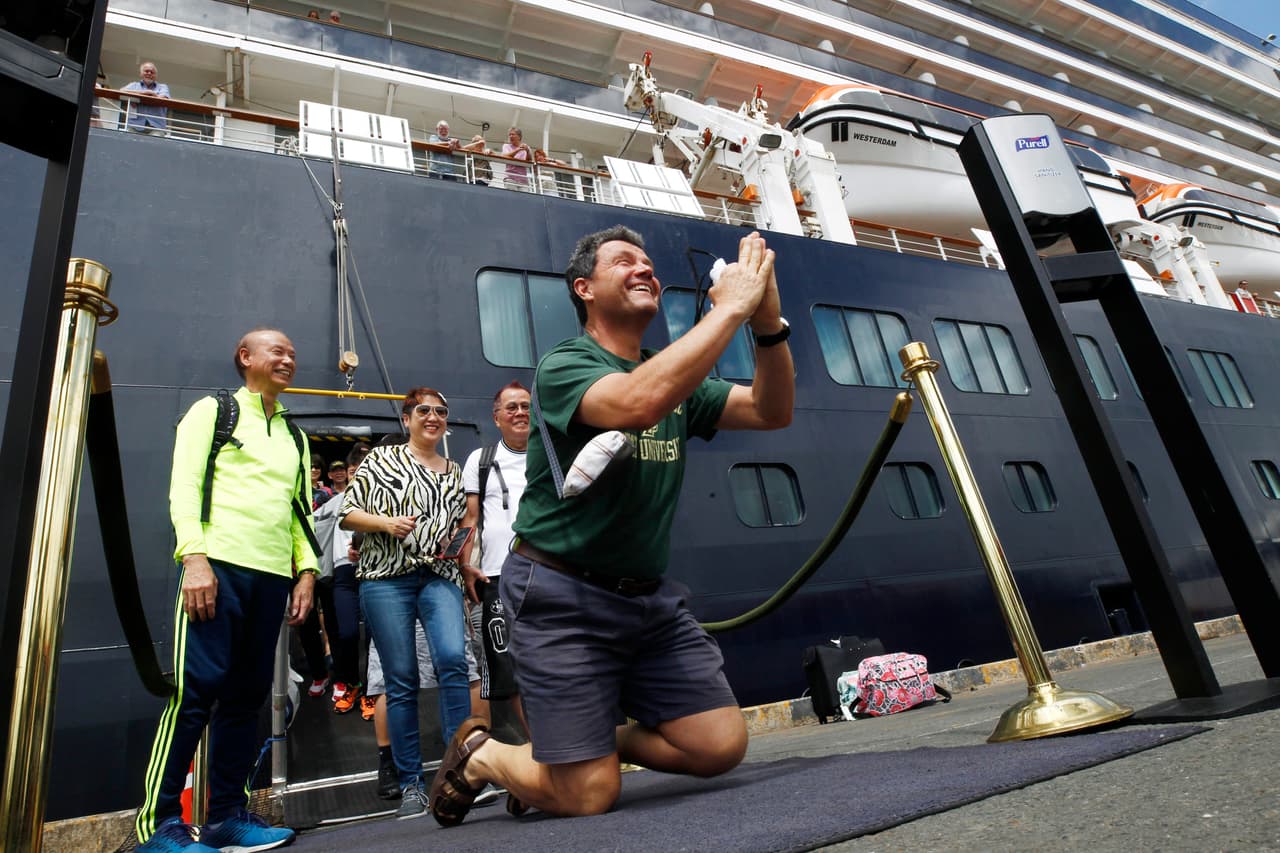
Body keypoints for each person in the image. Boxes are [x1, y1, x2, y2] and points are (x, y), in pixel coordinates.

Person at [426, 226, 793, 827]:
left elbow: (771, 411)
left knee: (719, 746)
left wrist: (767, 324)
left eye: (649, 262)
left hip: (647, 600)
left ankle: (591, 745)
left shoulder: (674, 375)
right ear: (584, 289)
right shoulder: (565, 365)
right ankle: (484, 755)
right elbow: (634, 403)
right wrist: (729, 308)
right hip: (560, 595)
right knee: (589, 796)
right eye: (624, 261)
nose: (645, 269)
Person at [134, 328, 318, 852]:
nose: (288, 358)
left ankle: (227, 818)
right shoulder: (213, 412)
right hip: (215, 569)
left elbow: (299, 513)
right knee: (193, 696)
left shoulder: (295, 437)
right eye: (278, 350)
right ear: (246, 357)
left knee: (244, 700)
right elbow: (185, 484)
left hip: (270, 580)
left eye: (292, 353)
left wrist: (305, 572)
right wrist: (193, 556)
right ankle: (159, 826)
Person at [339, 388, 482, 819]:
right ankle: (411, 786)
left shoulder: (455, 471)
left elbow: (461, 525)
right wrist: (384, 523)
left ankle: (463, 772)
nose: (434, 417)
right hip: (386, 580)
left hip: (439, 576)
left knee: (454, 662)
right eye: (425, 411)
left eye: (441, 411)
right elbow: (348, 512)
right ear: (407, 419)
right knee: (400, 680)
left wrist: (464, 559)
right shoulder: (382, 460)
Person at [459, 382, 531, 733]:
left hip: (550, 575)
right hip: (497, 576)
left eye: (526, 406)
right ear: (497, 417)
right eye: (512, 407)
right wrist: (464, 564)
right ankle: (541, 747)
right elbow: (470, 520)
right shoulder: (480, 460)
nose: (520, 413)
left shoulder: (551, 456)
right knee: (509, 666)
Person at [122, 62, 170, 136]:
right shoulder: (134, 85)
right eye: (146, 71)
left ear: (155, 75)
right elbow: (122, 91)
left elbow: (163, 98)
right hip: (134, 125)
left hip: (156, 127)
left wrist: (136, 95)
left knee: (153, 145)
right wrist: (143, 93)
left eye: (152, 72)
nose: (149, 73)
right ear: (141, 74)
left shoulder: (163, 87)